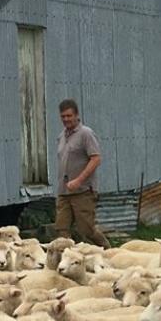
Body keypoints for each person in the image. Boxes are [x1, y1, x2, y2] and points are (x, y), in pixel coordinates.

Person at [55, 99, 111, 248]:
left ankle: (108, 251)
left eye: (69, 116)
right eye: (63, 116)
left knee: (86, 230)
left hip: (83, 191)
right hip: (64, 191)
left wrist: (79, 180)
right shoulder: (61, 137)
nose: (66, 119)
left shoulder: (86, 133)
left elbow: (96, 158)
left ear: (77, 115)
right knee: (62, 229)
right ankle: (68, 259)